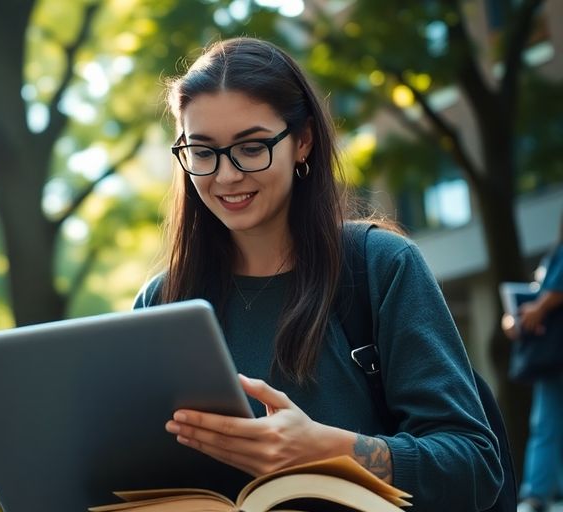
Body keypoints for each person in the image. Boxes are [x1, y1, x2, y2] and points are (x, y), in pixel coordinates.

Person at [134, 37, 503, 510]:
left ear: (302, 141)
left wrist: (328, 449)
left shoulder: (379, 267)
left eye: (251, 147)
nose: (225, 176)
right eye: (202, 152)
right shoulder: (162, 302)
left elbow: (474, 466)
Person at [507, 216, 563, 512]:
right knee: (549, 422)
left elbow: (552, 293)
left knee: (547, 423)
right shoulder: (554, 254)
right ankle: (541, 492)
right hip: (554, 355)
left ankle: (537, 493)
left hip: (555, 353)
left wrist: (537, 308)